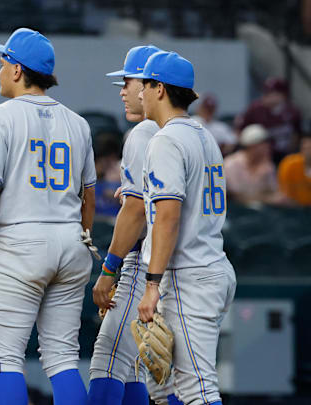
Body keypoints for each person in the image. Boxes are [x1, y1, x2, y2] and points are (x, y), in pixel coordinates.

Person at [0, 28, 96, 405]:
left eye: (3, 64)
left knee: (5, 358)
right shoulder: (78, 123)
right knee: (63, 357)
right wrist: (78, 238)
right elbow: (89, 197)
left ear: (17, 70)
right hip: (71, 239)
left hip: (20, 241)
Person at [130, 51, 236, 405]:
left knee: (197, 389)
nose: (139, 93)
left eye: (144, 85)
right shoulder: (204, 135)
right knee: (163, 388)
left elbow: (169, 216)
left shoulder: (167, 139)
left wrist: (152, 285)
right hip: (208, 266)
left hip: (188, 274)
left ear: (159, 89)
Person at [89, 44, 185, 405]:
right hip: (190, 265)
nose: (123, 91)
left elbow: (135, 213)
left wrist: (109, 270)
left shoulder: (144, 134)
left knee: (109, 359)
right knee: (153, 375)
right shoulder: (194, 133)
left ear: (150, 86)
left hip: (148, 266)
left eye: (128, 82)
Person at [235, 77, 302, 163]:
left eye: (270, 93)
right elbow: (239, 131)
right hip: (260, 156)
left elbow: (297, 135)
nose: (265, 96)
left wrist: (292, 151)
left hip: (285, 155)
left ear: (282, 95)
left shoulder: (293, 111)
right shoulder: (255, 109)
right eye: (265, 92)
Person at [223, 124, 281, 205]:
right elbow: (236, 197)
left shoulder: (268, 166)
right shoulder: (231, 164)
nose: (268, 147)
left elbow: (274, 193)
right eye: (263, 144)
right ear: (252, 146)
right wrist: (266, 199)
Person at [278, 132, 311, 205]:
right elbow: (284, 193)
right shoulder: (289, 164)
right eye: (305, 148)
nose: (308, 152)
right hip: (293, 209)